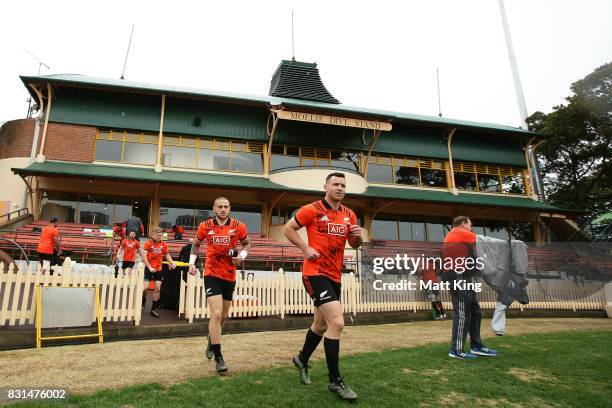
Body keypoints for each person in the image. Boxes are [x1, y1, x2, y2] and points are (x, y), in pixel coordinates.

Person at [283, 172, 362, 401]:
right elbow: (289, 229)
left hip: (334, 276)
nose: (339, 188)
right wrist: (305, 249)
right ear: (326, 187)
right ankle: (335, 381)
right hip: (314, 273)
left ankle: (301, 359)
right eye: (335, 184)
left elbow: (353, 244)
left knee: (319, 325)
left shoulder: (350, 215)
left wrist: (357, 237)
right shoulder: (312, 209)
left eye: (343, 185)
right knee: (337, 323)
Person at [188, 197, 250, 374]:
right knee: (215, 314)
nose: (223, 209)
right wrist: (192, 263)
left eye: (226, 206)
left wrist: (242, 256)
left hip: (229, 275)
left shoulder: (239, 226)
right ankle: (219, 357)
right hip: (211, 273)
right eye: (220, 207)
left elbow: (247, 243)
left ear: (230, 208)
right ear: (214, 208)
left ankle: (211, 338)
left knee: (223, 315)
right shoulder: (205, 226)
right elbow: (196, 245)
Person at [442, 216, 497, 359]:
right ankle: (456, 350)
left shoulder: (459, 235)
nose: (471, 228)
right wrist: (509, 245)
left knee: (474, 310)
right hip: (457, 276)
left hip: (463, 276)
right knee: (462, 312)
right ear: (463, 224)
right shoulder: (458, 231)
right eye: (470, 225)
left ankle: (476, 346)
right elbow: (482, 241)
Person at [143, 227, 175, 317]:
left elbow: (167, 255)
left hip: (159, 269)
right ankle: (143, 300)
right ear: (153, 234)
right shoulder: (148, 243)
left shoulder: (164, 244)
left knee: (157, 288)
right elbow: (144, 257)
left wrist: (172, 263)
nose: (159, 237)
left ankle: (153, 309)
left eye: (161, 235)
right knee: (145, 288)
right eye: (158, 235)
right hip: (149, 269)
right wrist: (149, 267)